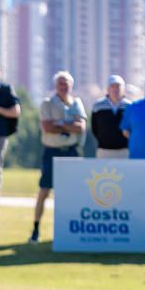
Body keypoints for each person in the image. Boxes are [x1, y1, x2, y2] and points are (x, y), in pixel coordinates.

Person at [31, 71, 86, 244]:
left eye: (67, 83)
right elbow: (47, 127)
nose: (64, 86)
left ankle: (71, 229)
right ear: (56, 86)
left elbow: (81, 127)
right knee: (44, 191)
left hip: (71, 151)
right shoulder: (47, 104)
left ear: (71, 85)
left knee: (73, 192)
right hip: (52, 151)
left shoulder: (77, 103)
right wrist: (68, 125)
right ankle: (36, 228)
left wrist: (60, 124)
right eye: (60, 83)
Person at [90, 75, 130, 159]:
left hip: (124, 150)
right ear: (108, 89)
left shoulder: (130, 106)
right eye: (112, 86)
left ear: (123, 89)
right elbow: (94, 128)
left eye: (118, 86)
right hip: (104, 150)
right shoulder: (98, 105)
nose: (115, 89)